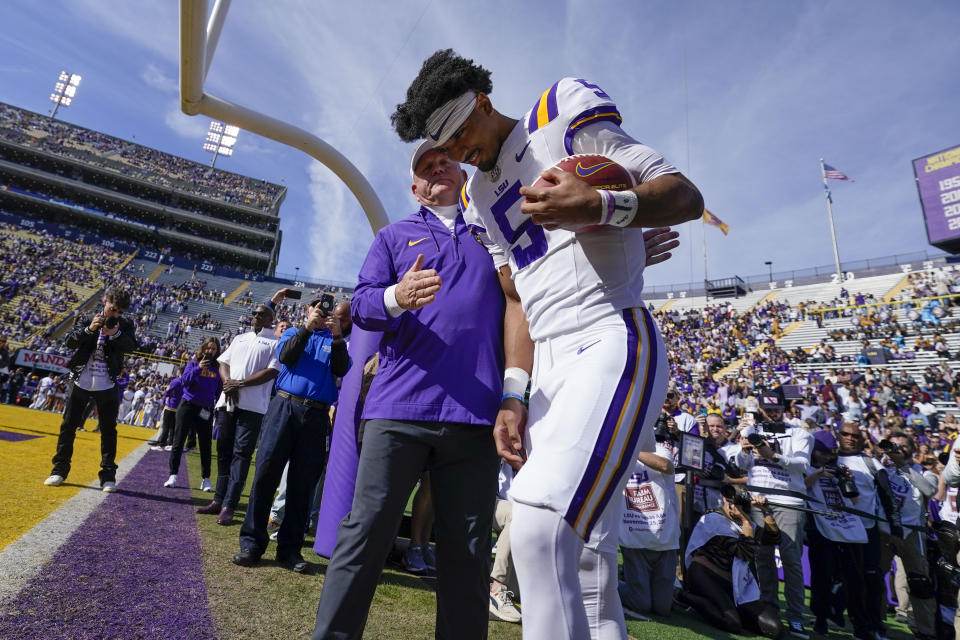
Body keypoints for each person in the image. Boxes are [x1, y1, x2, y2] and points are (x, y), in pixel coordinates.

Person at [392, 50, 701, 640]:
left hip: (608, 331)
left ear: (483, 103)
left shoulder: (559, 112)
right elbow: (516, 298)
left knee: (536, 527)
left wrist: (604, 205)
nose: (460, 155)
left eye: (461, 135)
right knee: (589, 565)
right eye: (447, 149)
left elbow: (683, 196)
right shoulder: (477, 195)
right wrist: (513, 393)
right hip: (550, 367)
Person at [233, 296, 348, 573]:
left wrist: (336, 337)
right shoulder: (294, 333)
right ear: (307, 310)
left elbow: (341, 369)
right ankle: (251, 542)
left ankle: (290, 548)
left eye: (325, 310)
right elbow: (286, 357)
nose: (321, 313)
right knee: (265, 474)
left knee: (303, 483)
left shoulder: (335, 341)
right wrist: (308, 328)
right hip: (285, 405)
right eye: (317, 308)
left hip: (317, 414)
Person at [735, 388, 814, 638]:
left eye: (776, 409)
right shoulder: (752, 430)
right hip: (759, 497)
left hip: (789, 499)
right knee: (762, 557)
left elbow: (803, 465)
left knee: (791, 559)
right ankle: (768, 607)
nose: (771, 414)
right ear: (760, 409)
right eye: (767, 410)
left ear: (784, 409)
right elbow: (741, 465)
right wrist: (745, 447)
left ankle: (795, 615)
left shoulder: (799, 432)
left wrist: (774, 455)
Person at [45, 288, 137, 492]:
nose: (115, 315)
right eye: (113, 309)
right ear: (105, 302)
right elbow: (69, 341)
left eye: (119, 312)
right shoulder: (87, 318)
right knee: (68, 425)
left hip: (107, 382)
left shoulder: (126, 325)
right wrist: (89, 330)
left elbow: (132, 346)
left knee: (108, 430)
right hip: (80, 379)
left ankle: (108, 476)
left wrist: (116, 334)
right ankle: (59, 470)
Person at [196, 303, 280, 525]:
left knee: (241, 454)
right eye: (254, 313)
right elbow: (224, 362)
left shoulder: (275, 342)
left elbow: (271, 371)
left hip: (252, 407)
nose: (256, 316)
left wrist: (239, 383)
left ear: (272, 318)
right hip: (227, 402)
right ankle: (218, 500)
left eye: (262, 314)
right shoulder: (240, 338)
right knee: (223, 450)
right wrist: (227, 384)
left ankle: (229, 505)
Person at [682, 489, 782, 638]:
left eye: (742, 504)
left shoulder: (746, 524)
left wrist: (766, 511)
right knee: (731, 622)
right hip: (706, 577)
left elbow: (774, 538)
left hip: (734, 588)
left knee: (775, 628)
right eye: (734, 502)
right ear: (724, 500)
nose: (738, 507)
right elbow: (744, 552)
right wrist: (746, 521)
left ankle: (732, 610)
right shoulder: (713, 520)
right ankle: (682, 596)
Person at [837, 421, 902, 640]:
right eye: (845, 434)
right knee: (840, 580)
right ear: (839, 435)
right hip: (832, 530)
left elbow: (887, 496)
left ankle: (874, 626)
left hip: (866, 531)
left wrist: (895, 525)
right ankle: (839, 621)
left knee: (871, 582)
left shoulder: (872, 463)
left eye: (855, 435)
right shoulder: (826, 459)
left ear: (863, 439)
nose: (850, 438)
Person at [803, 430, 869, 637]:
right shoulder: (805, 467)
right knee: (821, 577)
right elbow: (800, 488)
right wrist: (819, 473)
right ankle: (820, 619)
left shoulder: (839, 469)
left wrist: (846, 480)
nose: (828, 457)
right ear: (814, 451)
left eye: (831, 453)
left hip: (847, 527)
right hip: (821, 529)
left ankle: (859, 624)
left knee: (855, 579)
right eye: (823, 453)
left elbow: (855, 500)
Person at [618, 439, 679, 620]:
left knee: (662, 608)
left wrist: (629, 449)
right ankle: (609, 583)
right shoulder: (616, 450)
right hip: (634, 538)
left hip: (664, 539)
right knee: (642, 604)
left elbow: (665, 465)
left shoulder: (660, 448)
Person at [163, 338, 223, 490]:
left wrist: (215, 406)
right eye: (208, 348)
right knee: (178, 440)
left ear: (217, 351)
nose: (210, 351)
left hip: (206, 408)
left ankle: (206, 479)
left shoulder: (218, 367)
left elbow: (219, 390)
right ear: (203, 349)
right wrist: (198, 368)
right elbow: (184, 382)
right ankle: (173, 475)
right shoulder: (194, 362)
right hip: (188, 405)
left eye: (214, 349)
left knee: (205, 444)